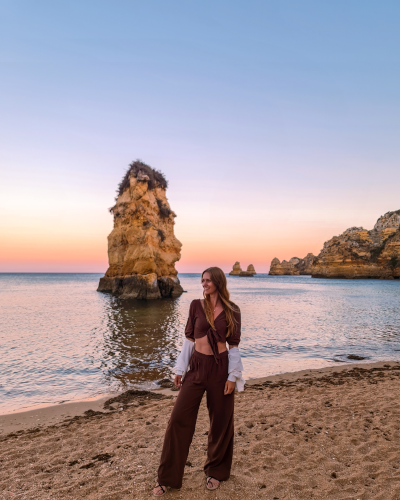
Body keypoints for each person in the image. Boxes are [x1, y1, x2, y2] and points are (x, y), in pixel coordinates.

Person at [153, 267, 245, 496]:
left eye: (208, 281)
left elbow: (233, 347)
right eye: (202, 280)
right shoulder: (196, 305)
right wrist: (180, 368)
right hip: (195, 368)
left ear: (218, 282)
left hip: (220, 369)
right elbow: (188, 341)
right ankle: (166, 478)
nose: (204, 284)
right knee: (177, 420)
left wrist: (233, 377)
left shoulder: (233, 310)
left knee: (221, 422)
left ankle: (216, 471)